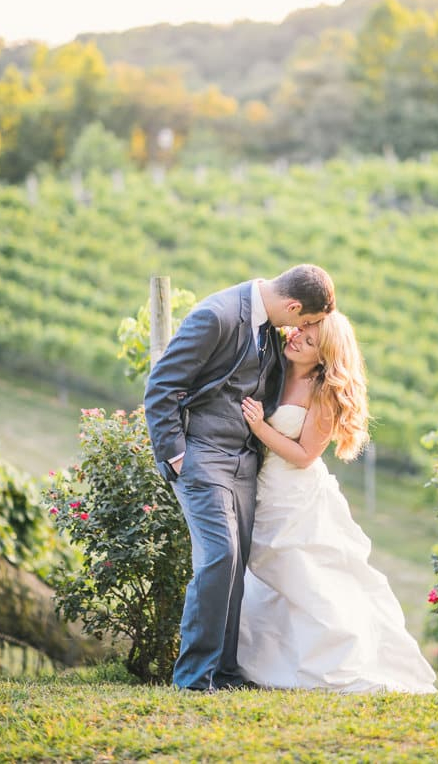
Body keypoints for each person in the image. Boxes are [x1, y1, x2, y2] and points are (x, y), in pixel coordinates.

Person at [144, 264, 335, 692]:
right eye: (303, 322)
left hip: (244, 463)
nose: (299, 331)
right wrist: (176, 456)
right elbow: (162, 385)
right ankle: (194, 678)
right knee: (219, 557)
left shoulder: (269, 327)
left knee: (236, 566)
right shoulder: (218, 315)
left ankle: (225, 673)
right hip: (201, 457)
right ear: (292, 306)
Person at [238, 312, 437, 694]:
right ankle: (264, 661)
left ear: (324, 356)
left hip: (294, 496)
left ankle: (336, 657)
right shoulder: (278, 358)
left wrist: (260, 428)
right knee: (268, 582)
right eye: (301, 332)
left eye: (309, 342)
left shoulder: (324, 391)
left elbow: (305, 454)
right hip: (263, 488)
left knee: (304, 577)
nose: (296, 340)